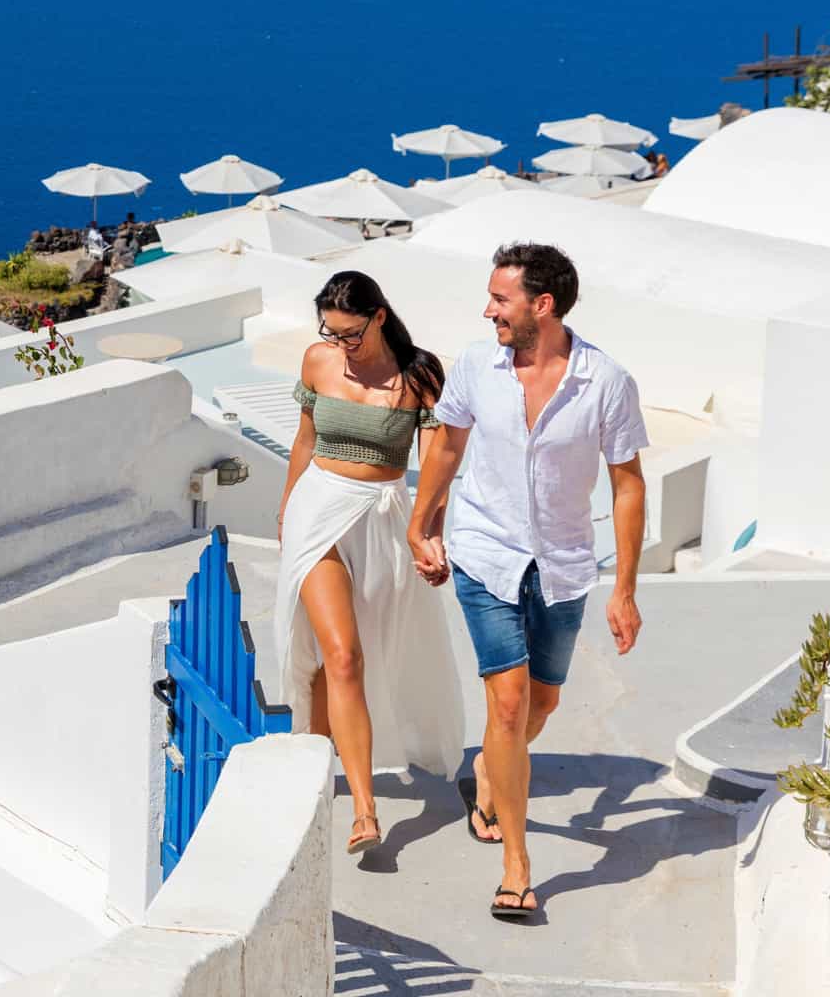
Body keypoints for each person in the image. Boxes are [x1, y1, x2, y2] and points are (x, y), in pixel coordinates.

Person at [408, 242, 648, 920]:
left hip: (565, 564)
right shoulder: (474, 367)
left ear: (542, 305)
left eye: (501, 299)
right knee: (507, 706)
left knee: (539, 706)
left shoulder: (605, 381)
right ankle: (517, 866)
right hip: (485, 553)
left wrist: (625, 589)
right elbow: (447, 444)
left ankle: (491, 769)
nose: (488, 310)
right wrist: (422, 524)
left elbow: (627, 486)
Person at [273, 271, 466, 855]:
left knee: (371, 649)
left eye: (351, 334)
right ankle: (363, 808)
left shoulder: (420, 374)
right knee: (342, 655)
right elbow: (305, 441)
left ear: (379, 316)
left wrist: (428, 535)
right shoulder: (318, 361)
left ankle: (318, 752)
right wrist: (286, 511)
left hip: (380, 517)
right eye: (331, 333)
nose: (341, 347)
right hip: (317, 513)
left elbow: (436, 471)